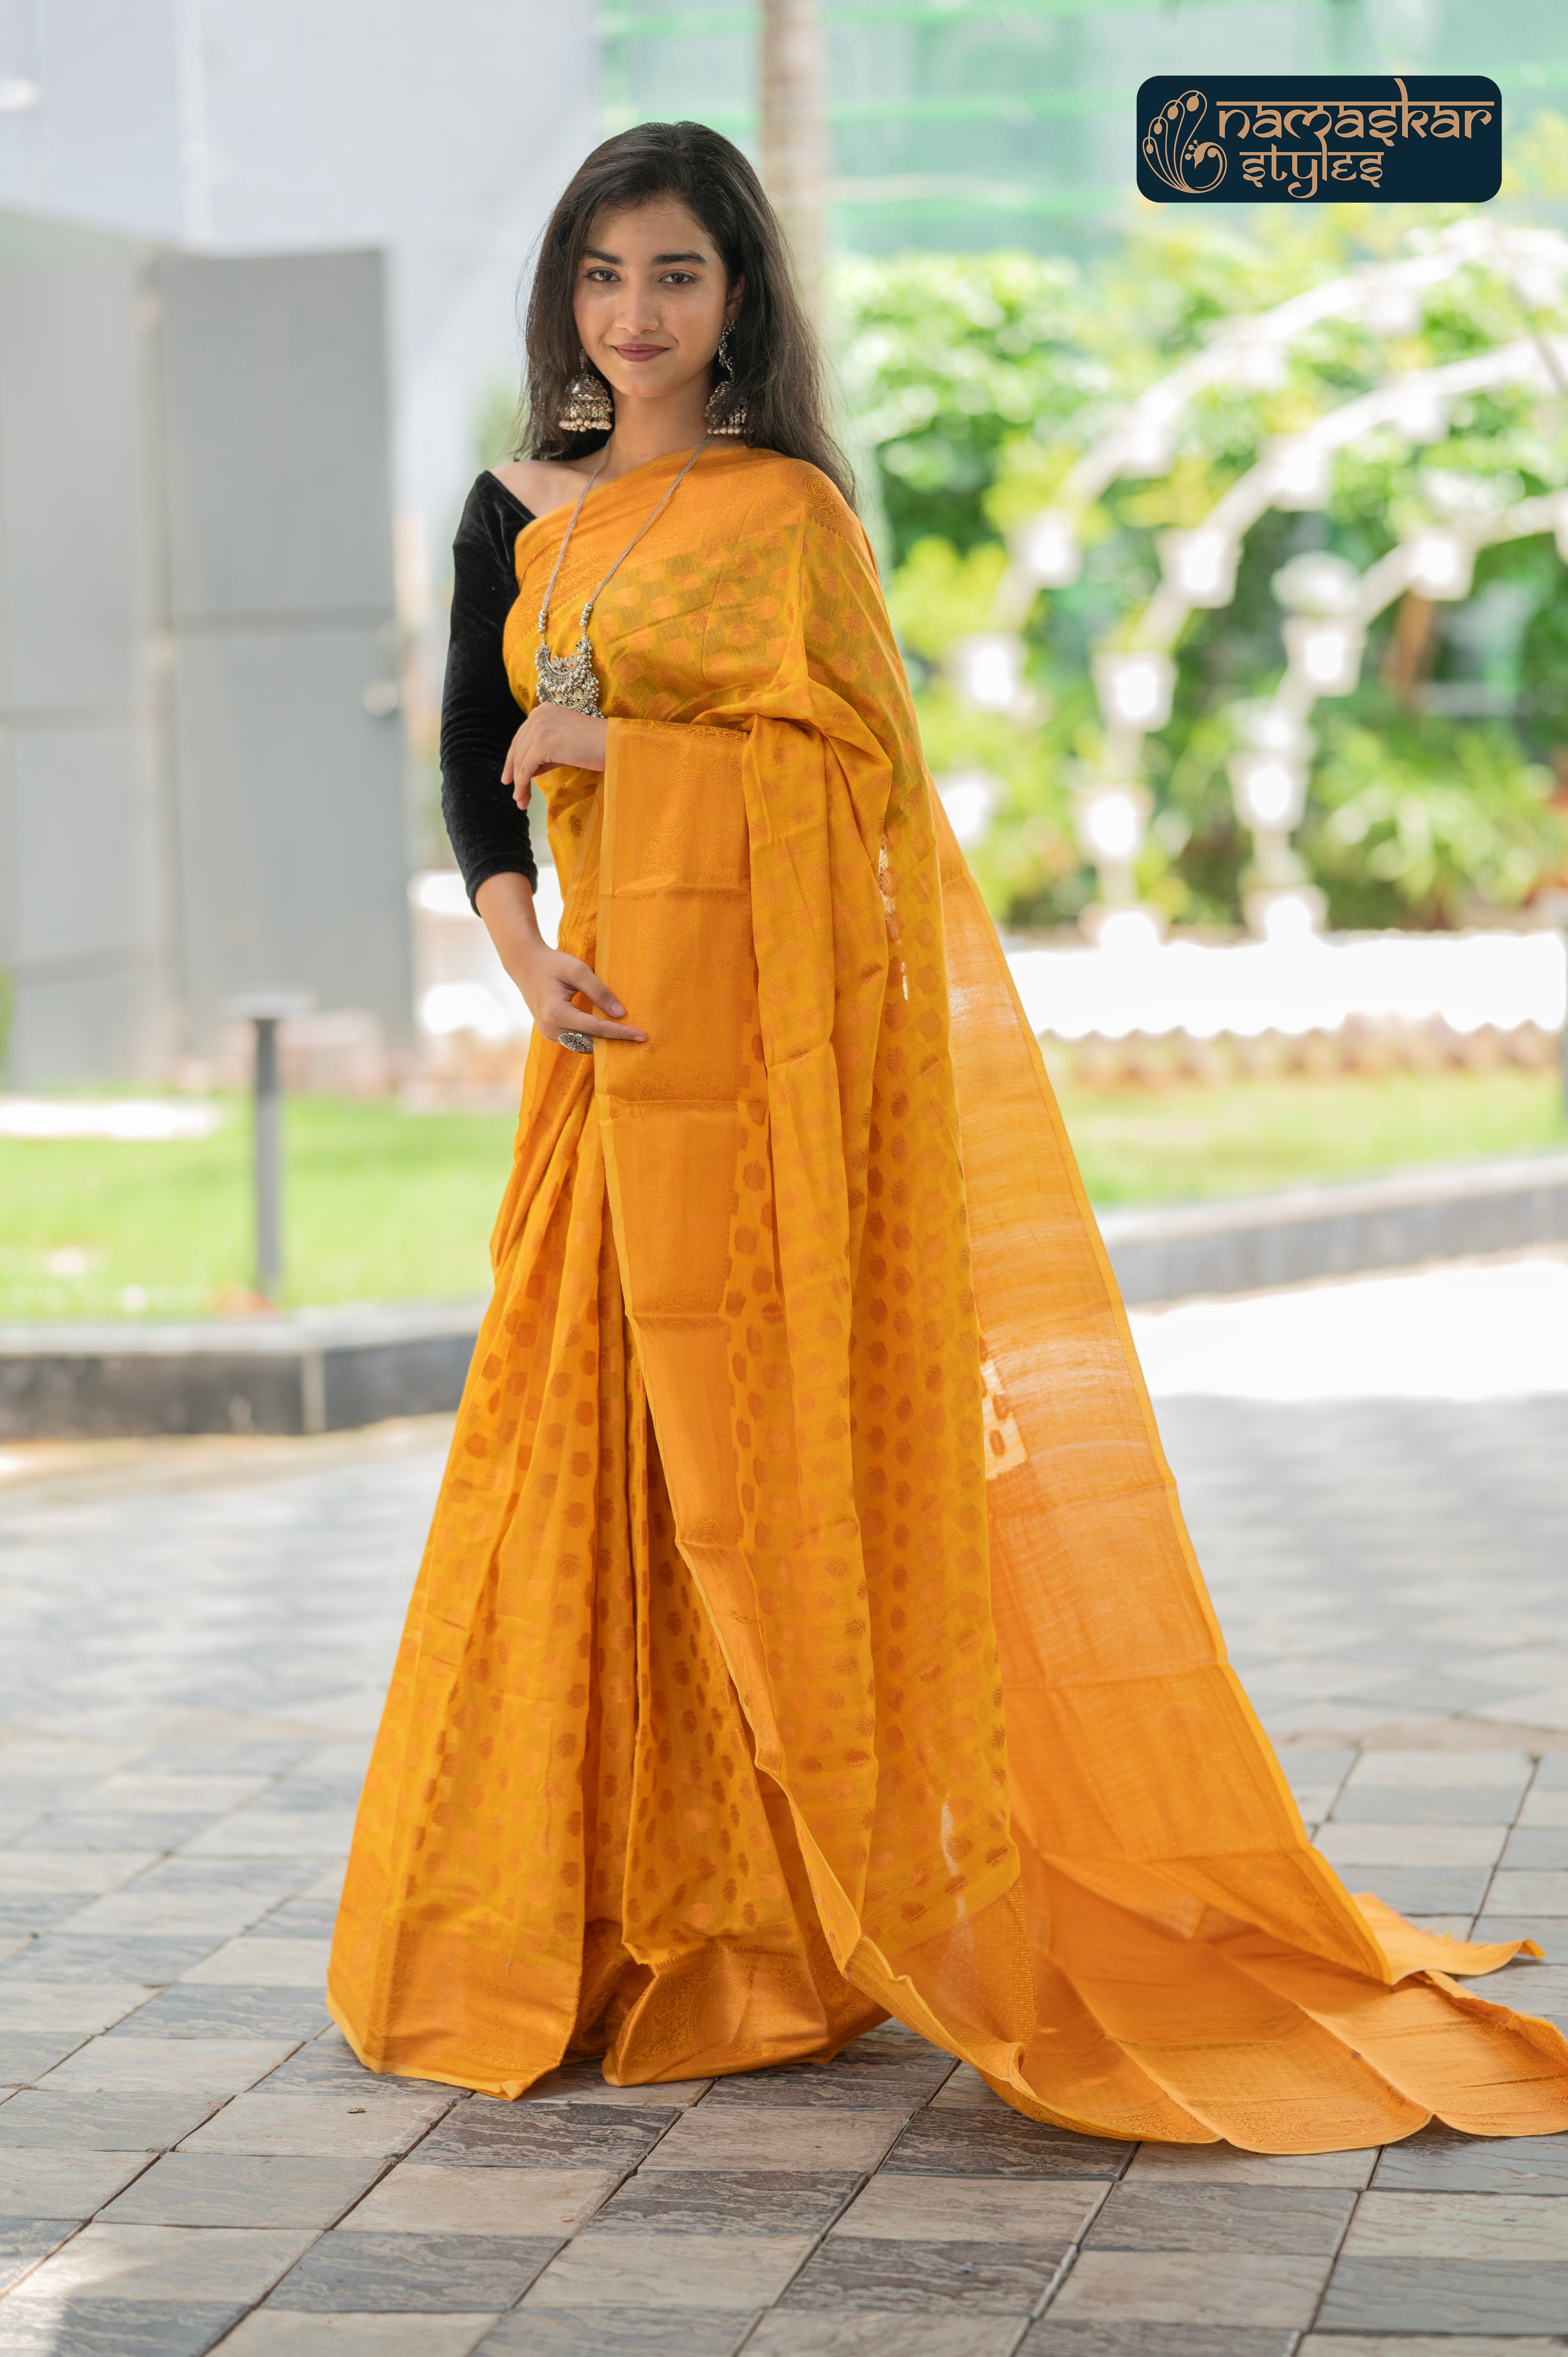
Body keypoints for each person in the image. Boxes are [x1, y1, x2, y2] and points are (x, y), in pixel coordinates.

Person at [328, 121, 1568, 2150]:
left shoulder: (786, 516)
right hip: (609, 1060)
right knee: (588, 1474)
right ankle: (603, 1917)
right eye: (602, 277)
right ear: (565, 295)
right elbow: (476, 774)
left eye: (677, 278)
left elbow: (865, 799)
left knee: (768, 1472)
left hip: (772, 1083)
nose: (633, 317)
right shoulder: (517, 512)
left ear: (740, 301)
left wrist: (627, 748)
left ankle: (795, 1916)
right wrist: (516, 952)